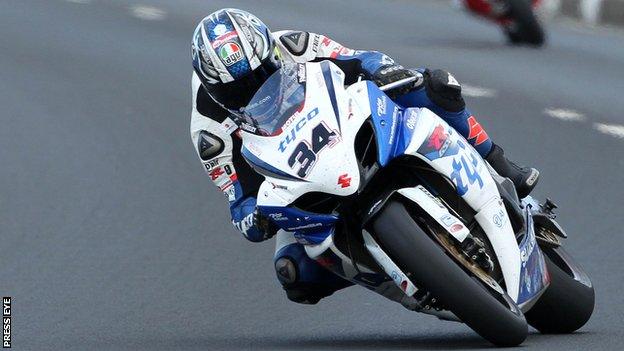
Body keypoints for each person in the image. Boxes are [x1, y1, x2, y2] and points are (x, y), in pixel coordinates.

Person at [190, 8, 539, 304]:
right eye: (237, 89)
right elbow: (239, 202)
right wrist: (256, 218)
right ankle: (410, 275)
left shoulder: (291, 44)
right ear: (214, 90)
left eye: (264, 72)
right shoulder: (209, 132)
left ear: (270, 54)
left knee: (434, 86)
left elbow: (357, 59)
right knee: (293, 275)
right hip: (297, 179)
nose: (255, 87)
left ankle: (498, 162)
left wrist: (386, 71)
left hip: (346, 124)